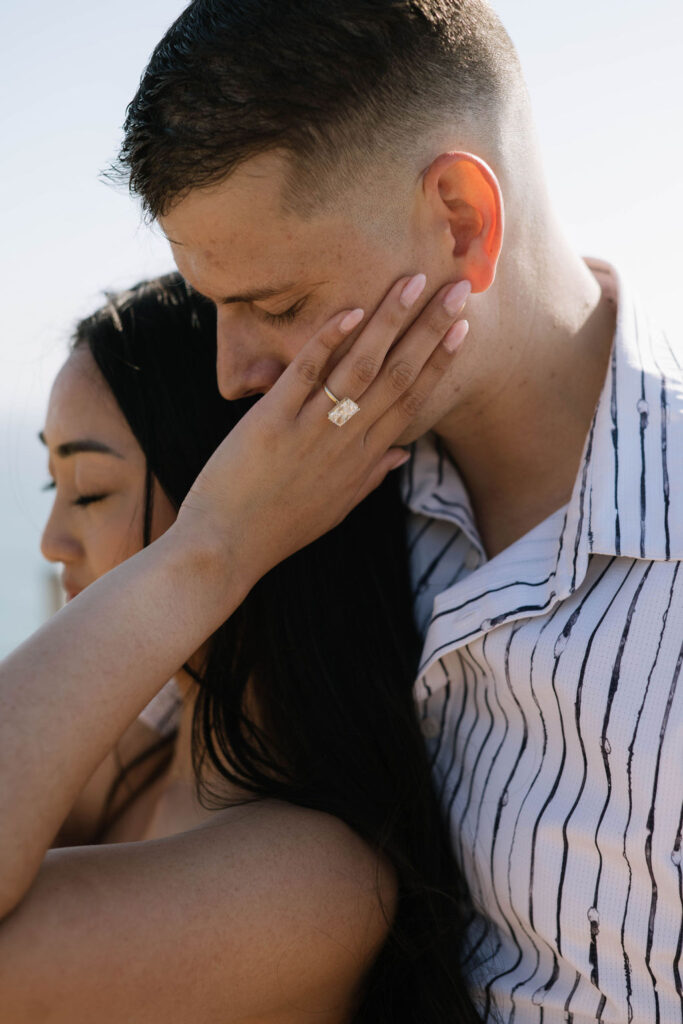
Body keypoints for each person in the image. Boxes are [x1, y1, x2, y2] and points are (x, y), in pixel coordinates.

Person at [108, 2, 683, 1022]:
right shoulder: (283, 493)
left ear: (459, 220)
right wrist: (203, 555)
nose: (232, 374)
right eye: (212, 306)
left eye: (276, 306)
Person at [0, 272, 477, 1022]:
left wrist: (213, 549)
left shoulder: (315, 884)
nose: (52, 542)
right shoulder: (142, 752)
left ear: (259, 499)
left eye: (88, 490)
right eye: (50, 487)